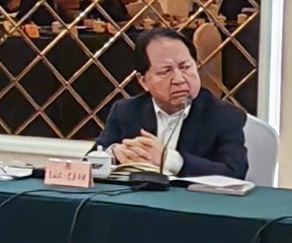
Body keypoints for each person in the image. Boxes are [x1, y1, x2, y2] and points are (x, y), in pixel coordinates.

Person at [95, 27, 252, 179]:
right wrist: (114, 154)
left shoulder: (225, 116)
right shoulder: (125, 111)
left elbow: (235, 172)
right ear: (143, 81)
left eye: (185, 67)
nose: (179, 79)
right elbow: (93, 159)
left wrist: (170, 160)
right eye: (165, 71)